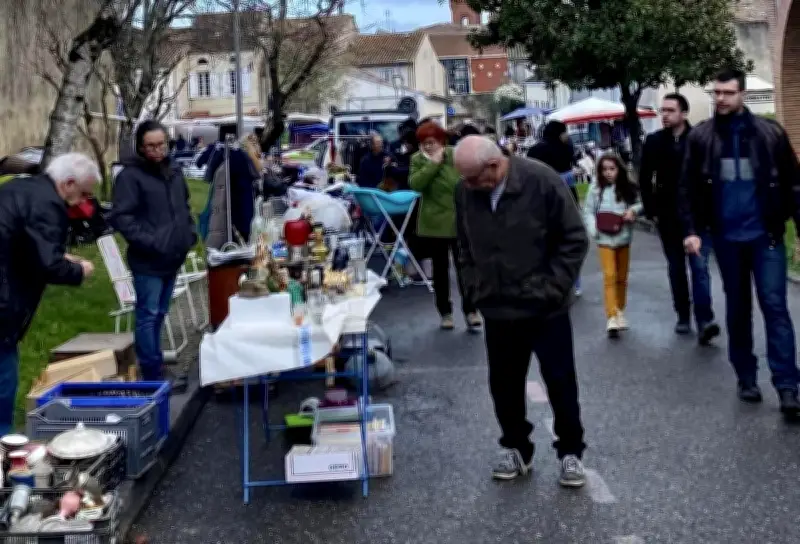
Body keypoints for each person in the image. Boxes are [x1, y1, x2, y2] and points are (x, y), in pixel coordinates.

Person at [453, 135, 588, 486]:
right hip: (498, 307)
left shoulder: (541, 181)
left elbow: (574, 238)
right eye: (465, 179)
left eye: (473, 178)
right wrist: (474, 287)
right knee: (504, 385)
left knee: (560, 381)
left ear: (494, 165)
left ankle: (571, 451)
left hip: (545, 308)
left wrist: (551, 288)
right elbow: (463, 245)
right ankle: (516, 447)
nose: (468, 186)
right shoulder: (465, 191)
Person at [679, 68, 800, 418]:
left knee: (775, 307)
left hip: (766, 236)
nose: (720, 98)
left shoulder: (770, 134)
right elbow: (687, 189)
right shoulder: (701, 138)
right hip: (727, 239)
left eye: (727, 93)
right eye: (716, 92)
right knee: (738, 308)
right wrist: (691, 230)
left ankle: (787, 386)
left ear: (742, 94)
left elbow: (793, 185)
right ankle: (746, 377)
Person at [0, 153, 98, 434]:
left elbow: (22, 241)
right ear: (68, 184)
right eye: (83, 194)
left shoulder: (19, 187)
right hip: (4, 300)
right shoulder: (49, 205)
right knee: (4, 372)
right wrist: (79, 270)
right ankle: (4, 441)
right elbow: (48, 266)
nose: (82, 202)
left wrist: (59, 254)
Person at [109, 120, 197, 384]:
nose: (157, 150)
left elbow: (184, 205)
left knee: (159, 314)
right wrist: (151, 242)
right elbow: (122, 218)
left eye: (161, 144)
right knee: (148, 315)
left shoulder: (174, 171)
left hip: (174, 255)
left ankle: (155, 364)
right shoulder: (130, 177)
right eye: (150, 146)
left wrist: (188, 234)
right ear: (140, 147)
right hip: (148, 259)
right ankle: (152, 371)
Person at [640, 93, 719, 341]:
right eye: (662, 110)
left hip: (698, 216)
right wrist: (651, 210)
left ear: (683, 113)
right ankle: (683, 315)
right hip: (668, 216)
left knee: (700, 268)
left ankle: (705, 320)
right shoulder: (654, 141)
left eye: (670, 110)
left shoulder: (698, 140)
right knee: (676, 269)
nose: (664, 115)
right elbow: (645, 179)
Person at [410, 121, 481, 331]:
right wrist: (432, 164)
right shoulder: (417, 160)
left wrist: (442, 162)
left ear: (441, 141)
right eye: (423, 143)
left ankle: (471, 310)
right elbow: (416, 184)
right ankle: (445, 312)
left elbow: (458, 182)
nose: (427, 147)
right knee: (440, 270)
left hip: (459, 220)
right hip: (434, 222)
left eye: (431, 142)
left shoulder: (454, 155)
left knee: (465, 268)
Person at [582, 153, 643, 338]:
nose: (608, 173)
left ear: (619, 170)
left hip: (623, 237)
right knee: (609, 276)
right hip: (604, 239)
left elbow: (640, 203)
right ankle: (611, 316)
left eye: (612, 169)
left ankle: (619, 310)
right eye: (604, 169)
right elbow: (588, 211)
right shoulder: (595, 189)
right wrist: (594, 230)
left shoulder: (627, 188)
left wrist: (633, 211)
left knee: (622, 277)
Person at [527, 120, 583, 295]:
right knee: (568, 242)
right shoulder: (565, 148)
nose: (567, 135)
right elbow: (566, 175)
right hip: (566, 198)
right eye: (565, 131)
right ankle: (573, 282)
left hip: (540, 200)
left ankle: (548, 281)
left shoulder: (534, 150)